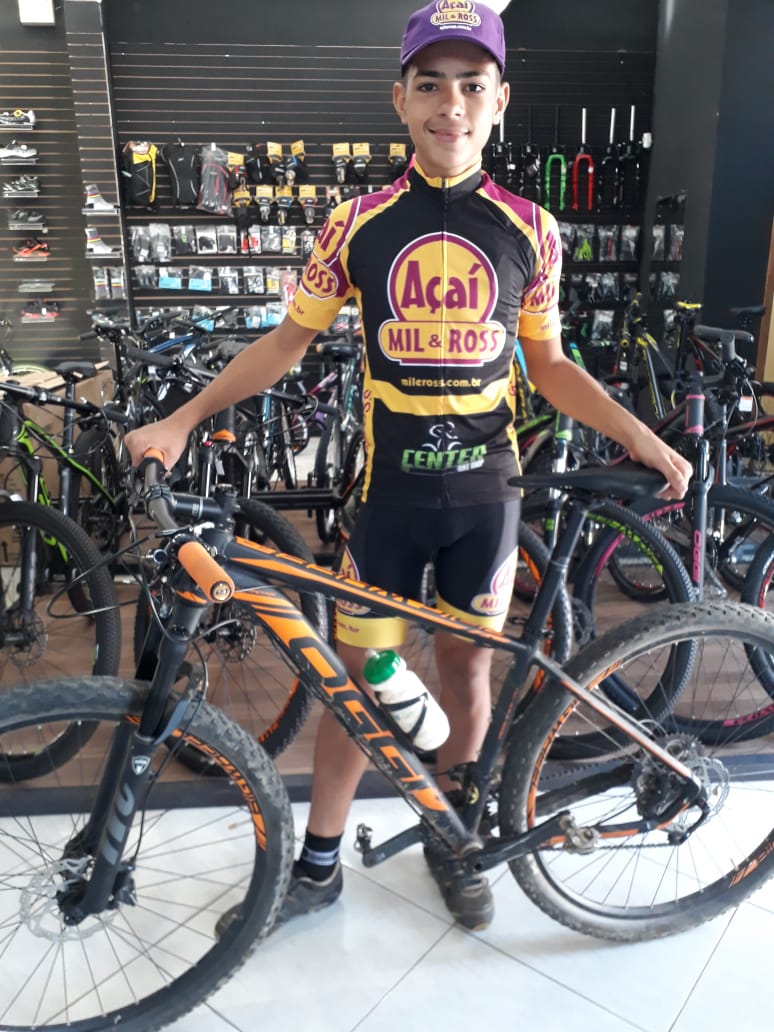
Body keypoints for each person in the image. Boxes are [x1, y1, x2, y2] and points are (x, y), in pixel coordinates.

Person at [125, 1, 692, 934]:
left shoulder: (533, 228)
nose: (450, 104)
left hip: (485, 503)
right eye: (430, 84)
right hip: (387, 503)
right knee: (357, 683)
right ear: (400, 99)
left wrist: (641, 435)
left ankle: (455, 838)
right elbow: (284, 345)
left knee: (467, 679)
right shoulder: (353, 223)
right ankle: (318, 867)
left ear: (499, 100)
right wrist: (184, 420)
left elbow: (551, 367)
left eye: (472, 85)